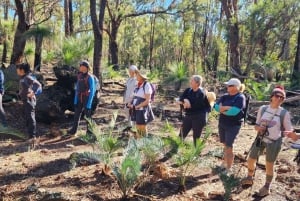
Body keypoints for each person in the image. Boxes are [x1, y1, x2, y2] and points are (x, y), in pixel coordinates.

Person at [241, 86, 293, 197]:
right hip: (260, 138)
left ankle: (267, 186)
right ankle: (250, 177)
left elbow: (289, 131)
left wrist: (291, 137)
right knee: (251, 159)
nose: (279, 99)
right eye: (277, 96)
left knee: (269, 164)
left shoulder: (284, 113)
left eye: (282, 97)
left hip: (274, 141)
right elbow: (256, 125)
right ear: (271, 97)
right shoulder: (263, 109)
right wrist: (259, 129)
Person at [214, 78, 246, 173]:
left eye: (230, 85)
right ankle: (224, 163)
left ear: (236, 87)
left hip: (233, 125)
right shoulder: (225, 96)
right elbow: (215, 107)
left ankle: (228, 168)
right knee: (224, 144)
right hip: (222, 123)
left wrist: (222, 109)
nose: (227, 87)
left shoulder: (240, 97)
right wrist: (226, 108)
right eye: (228, 85)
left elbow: (234, 112)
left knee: (229, 146)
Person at [178, 75, 211, 146]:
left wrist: (186, 103)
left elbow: (191, 106)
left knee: (196, 137)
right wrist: (185, 101)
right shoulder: (188, 90)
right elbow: (180, 99)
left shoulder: (201, 93)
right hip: (189, 115)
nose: (190, 82)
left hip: (199, 116)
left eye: (192, 81)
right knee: (182, 134)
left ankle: (195, 153)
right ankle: (176, 149)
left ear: (197, 83)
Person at [67, 60, 96, 137]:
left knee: (88, 116)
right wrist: (75, 100)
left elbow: (92, 90)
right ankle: (73, 130)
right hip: (79, 97)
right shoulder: (79, 76)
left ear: (85, 67)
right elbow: (77, 88)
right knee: (76, 114)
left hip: (87, 98)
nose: (79, 67)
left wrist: (89, 103)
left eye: (81, 66)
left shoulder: (90, 77)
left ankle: (90, 132)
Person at [16, 63, 42, 143]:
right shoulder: (23, 77)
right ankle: (30, 136)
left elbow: (38, 84)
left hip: (29, 100)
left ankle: (32, 137)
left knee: (30, 118)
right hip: (25, 100)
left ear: (22, 70)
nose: (17, 70)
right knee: (28, 117)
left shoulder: (27, 77)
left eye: (18, 68)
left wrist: (32, 93)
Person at [127, 69, 154, 138]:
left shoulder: (146, 85)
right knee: (138, 126)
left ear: (142, 76)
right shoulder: (137, 85)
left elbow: (148, 100)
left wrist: (137, 106)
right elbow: (134, 96)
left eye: (137, 74)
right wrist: (130, 103)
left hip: (142, 109)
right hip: (136, 109)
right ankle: (139, 141)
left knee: (142, 126)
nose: (136, 76)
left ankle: (143, 142)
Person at [123, 65, 137, 131]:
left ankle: (135, 128)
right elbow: (126, 89)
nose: (130, 72)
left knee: (133, 113)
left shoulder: (136, 80)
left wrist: (133, 100)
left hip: (133, 99)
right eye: (129, 71)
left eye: (131, 71)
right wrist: (124, 98)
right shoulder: (128, 79)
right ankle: (129, 125)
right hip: (127, 98)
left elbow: (136, 91)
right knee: (127, 111)